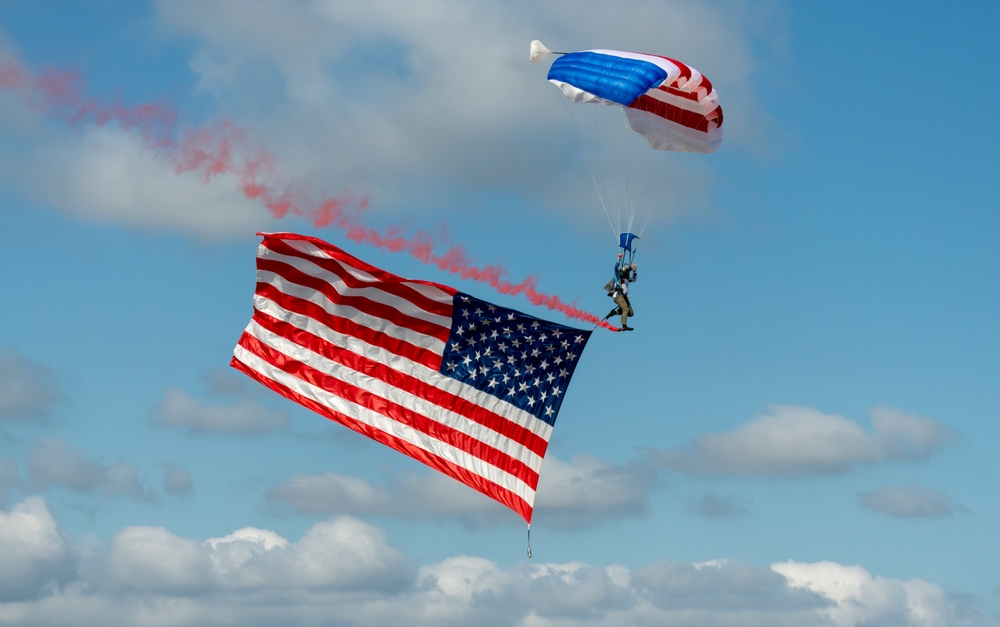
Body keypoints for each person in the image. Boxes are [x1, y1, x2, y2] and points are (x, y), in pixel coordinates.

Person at [603, 253, 637, 331]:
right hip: (618, 295)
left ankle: (614, 312)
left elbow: (634, 279)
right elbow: (615, 268)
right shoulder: (618, 275)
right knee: (625, 309)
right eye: (628, 271)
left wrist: (635, 270)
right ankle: (624, 325)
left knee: (630, 313)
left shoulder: (627, 278)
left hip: (624, 297)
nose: (629, 273)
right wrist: (619, 259)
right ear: (625, 270)